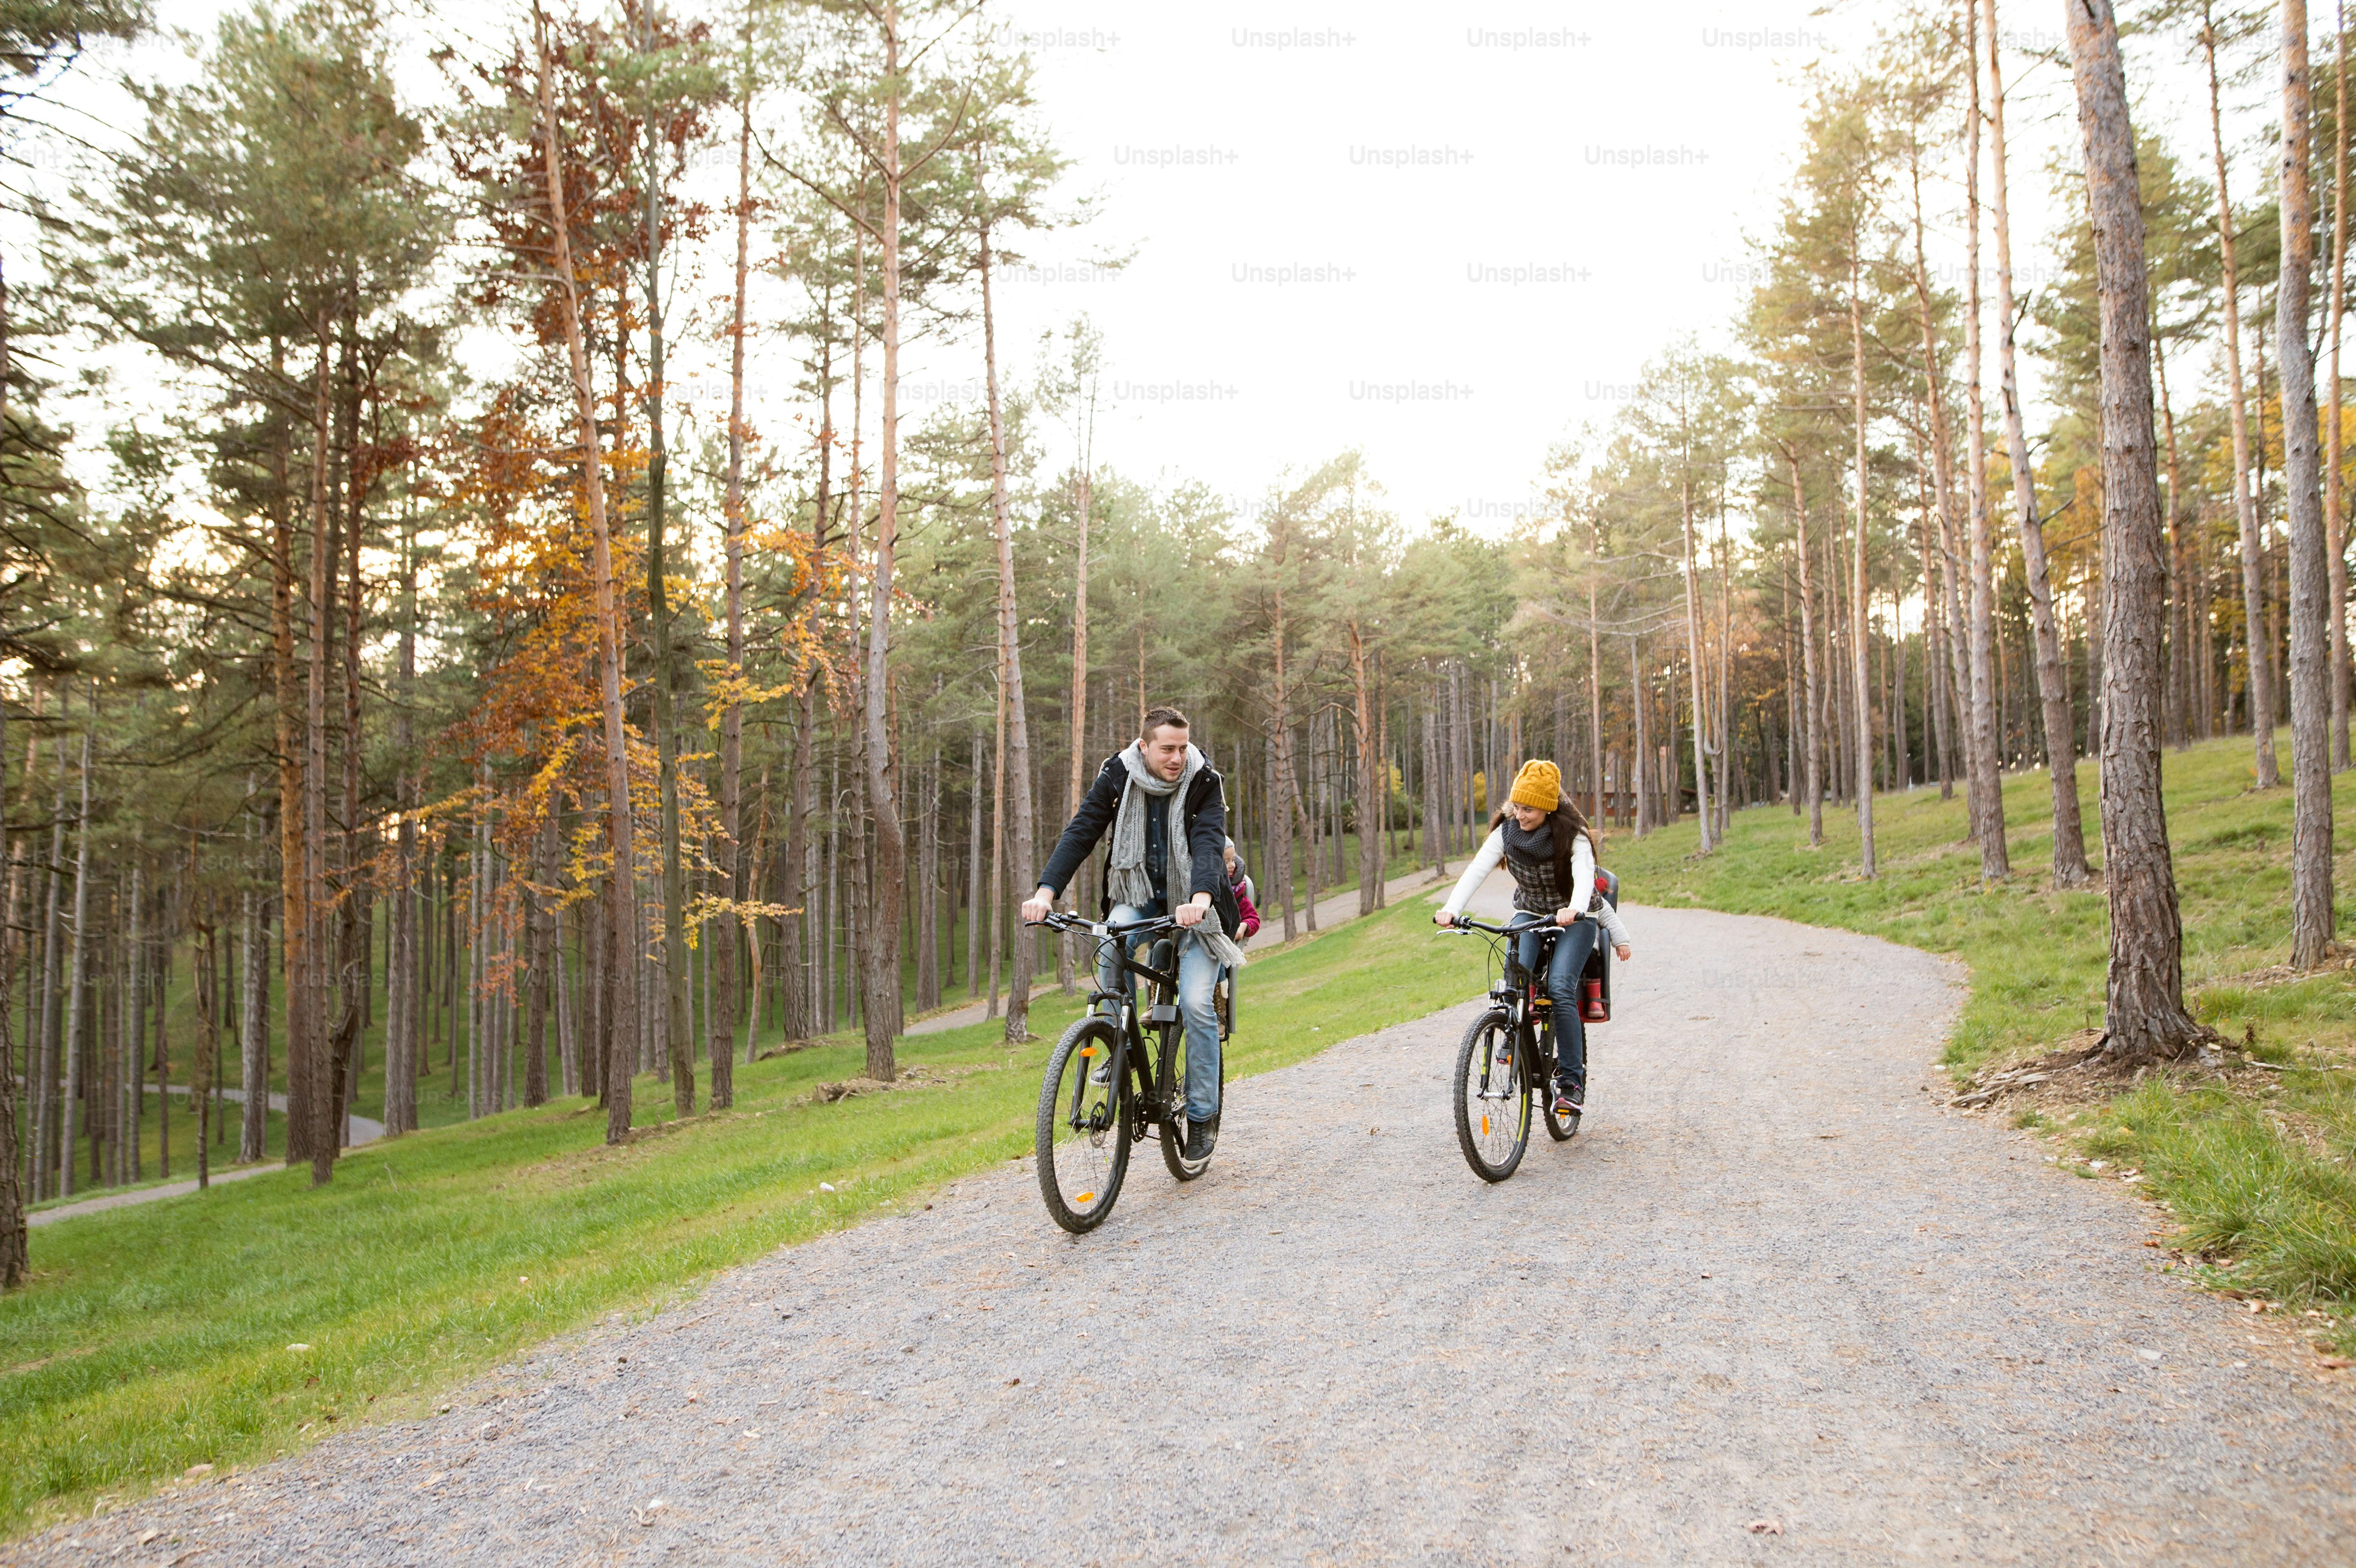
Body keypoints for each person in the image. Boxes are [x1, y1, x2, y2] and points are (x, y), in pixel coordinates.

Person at [1023, 706, 1247, 1159]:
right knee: (1112, 937)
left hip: (1196, 906)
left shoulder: (1205, 781)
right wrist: (1046, 893)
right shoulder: (1118, 774)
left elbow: (1208, 843)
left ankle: (1202, 1116)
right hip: (1141, 893)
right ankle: (1116, 1040)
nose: (1177, 758)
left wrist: (1201, 898)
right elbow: (1082, 832)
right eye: (1167, 749)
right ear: (1144, 747)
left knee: (1197, 1003)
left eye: (1183, 748)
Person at [1432, 759, 1627, 1119]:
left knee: (1561, 986)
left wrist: (1575, 908)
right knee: (1515, 970)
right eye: (1517, 807)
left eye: (1529, 809)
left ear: (1547, 808)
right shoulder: (1507, 832)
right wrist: (1451, 909)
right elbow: (1477, 869)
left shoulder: (1572, 835)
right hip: (1531, 911)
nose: (1520, 815)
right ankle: (1512, 1032)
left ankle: (1570, 1084)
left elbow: (1585, 875)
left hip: (1576, 917)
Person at [1222, 840, 1262, 941]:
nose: (1232, 865)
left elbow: (1253, 919)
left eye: (1233, 860)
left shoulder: (1236, 893)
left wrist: (1244, 926)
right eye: (1226, 862)